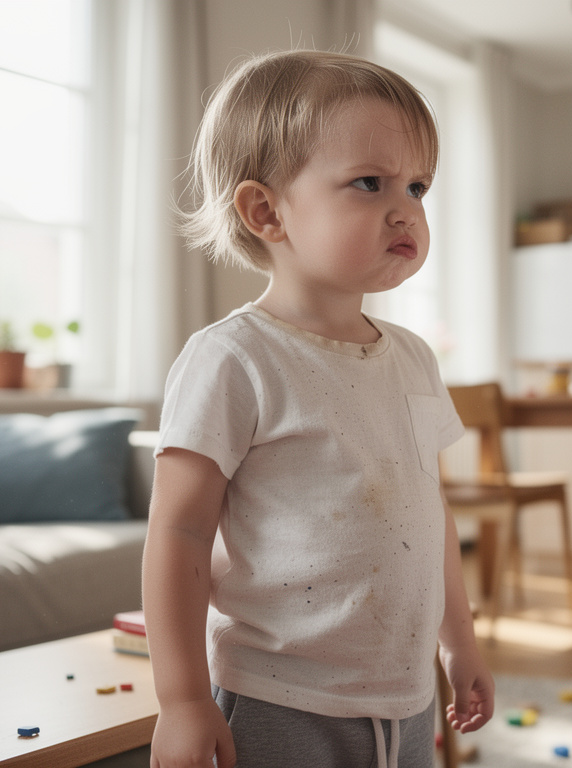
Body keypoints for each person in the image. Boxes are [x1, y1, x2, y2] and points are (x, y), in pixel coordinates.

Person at [142, 50, 493, 768]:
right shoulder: (233, 359)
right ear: (266, 211)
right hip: (280, 699)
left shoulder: (414, 357)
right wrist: (182, 700)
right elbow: (178, 534)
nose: (406, 209)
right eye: (370, 183)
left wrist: (461, 643)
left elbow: (429, 516)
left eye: (419, 186)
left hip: (405, 698)